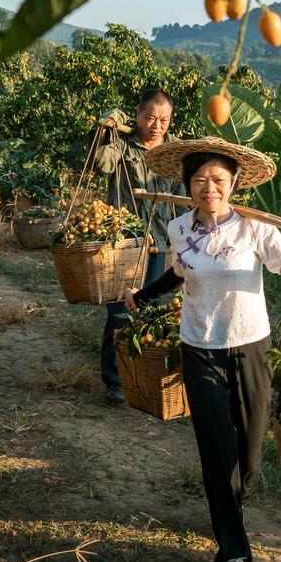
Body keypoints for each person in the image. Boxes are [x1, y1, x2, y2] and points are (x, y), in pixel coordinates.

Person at [125, 136, 281, 562]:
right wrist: (141, 296)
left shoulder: (256, 228)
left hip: (250, 346)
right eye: (200, 180)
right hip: (199, 346)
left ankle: (227, 510)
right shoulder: (179, 228)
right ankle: (233, 552)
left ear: (234, 183)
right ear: (188, 184)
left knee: (249, 454)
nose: (209, 188)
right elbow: (178, 274)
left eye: (218, 179)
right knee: (217, 449)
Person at [90, 88, 184, 405]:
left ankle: (143, 375)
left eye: (164, 120)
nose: (156, 125)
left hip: (158, 243)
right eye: (150, 118)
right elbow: (101, 164)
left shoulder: (173, 154)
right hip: (125, 243)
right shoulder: (122, 144)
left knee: (150, 311)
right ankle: (115, 380)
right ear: (138, 114)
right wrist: (105, 130)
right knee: (120, 311)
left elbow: (184, 203)